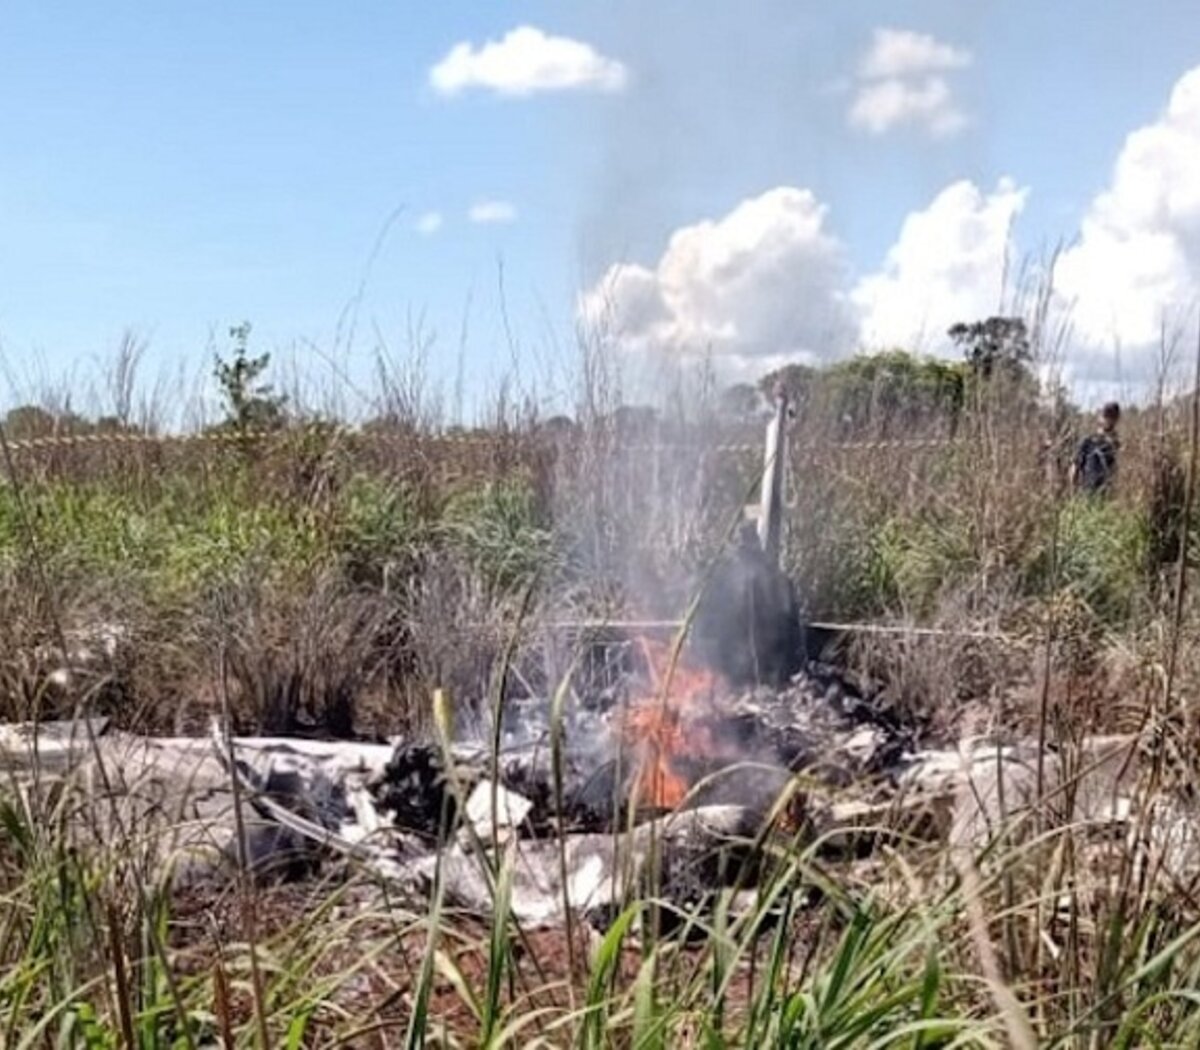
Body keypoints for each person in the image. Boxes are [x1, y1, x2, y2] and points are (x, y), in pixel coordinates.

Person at [1072, 402, 1121, 494]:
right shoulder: (1088, 441)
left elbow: (1116, 470)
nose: (1109, 420)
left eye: (1113, 417)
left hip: (1106, 494)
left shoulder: (1115, 444)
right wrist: (1074, 491)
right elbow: (1075, 468)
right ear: (1100, 418)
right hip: (1087, 492)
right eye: (1106, 415)